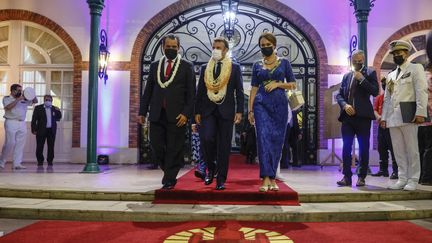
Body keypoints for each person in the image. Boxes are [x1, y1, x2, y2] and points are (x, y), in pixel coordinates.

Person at [138, 34, 196, 190]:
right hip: (157, 113)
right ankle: (170, 168)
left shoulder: (186, 66)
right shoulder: (155, 66)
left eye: (174, 47)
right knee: (156, 145)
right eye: (168, 47)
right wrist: (142, 112)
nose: (171, 49)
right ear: (163, 47)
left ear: (178, 48)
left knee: (174, 147)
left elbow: (191, 94)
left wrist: (186, 113)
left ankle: (169, 179)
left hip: (177, 115)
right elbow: (148, 90)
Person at [248, 32, 296, 192]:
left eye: (268, 45)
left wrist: (277, 84)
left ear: (274, 46)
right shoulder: (256, 65)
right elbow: (254, 88)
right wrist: (250, 110)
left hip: (279, 104)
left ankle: (273, 178)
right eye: (262, 46)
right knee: (263, 139)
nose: (265, 48)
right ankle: (265, 177)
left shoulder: (284, 63)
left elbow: (293, 84)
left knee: (277, 140)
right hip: (261, 104)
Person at [195, 37, 244, 190]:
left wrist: (240, 111)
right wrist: (196, 112)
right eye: (214, 47)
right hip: (208, 111)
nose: (216, 50)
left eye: (219, 47)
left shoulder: (234, 68)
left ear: (226, 50)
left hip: (226, 112)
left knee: (224, 146)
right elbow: (200, 92)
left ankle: (221, 179)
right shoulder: (205, 68)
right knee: (207, 139)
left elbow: (239, 91)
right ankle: (211, 167)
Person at [381, 39, 428, 191]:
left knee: (412, 149)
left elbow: (421, 91)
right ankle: (402, 178)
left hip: (409, 114)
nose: (396, 56)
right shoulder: (391, 75)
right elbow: (387, 98)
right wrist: (384, 117)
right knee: (398, 150)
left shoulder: (416, 68)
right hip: (393, 117)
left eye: (398, 53)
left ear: (406, 53)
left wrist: (421, 112)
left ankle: (413, 179)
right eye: (394, 53)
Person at [336, 50, 379, 187]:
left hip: (363, 117)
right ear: (351, 61)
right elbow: (339, 95)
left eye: (360, 61)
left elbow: (375, 91)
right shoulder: (346, 76)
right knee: (346, 146)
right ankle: (347, 176)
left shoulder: (370, 73)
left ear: (363, 60)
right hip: (348, 117)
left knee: (363, 147)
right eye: (355, 61)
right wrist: (344, 105)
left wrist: (362, 79)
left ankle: (361, 177)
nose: (357, 63)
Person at [0, 84, 38, 169]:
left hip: (22, 123)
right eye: (18, 90)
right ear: (13, 91)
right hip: (11, 122)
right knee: (10, 143)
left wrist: (31, 93)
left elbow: (35, 101)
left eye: (21, 90)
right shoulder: (7, 98)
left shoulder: (24, 99)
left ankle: (17, 164)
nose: (20, 92)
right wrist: (18, 100)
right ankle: (2, 161)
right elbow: (8, 108)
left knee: (20, 144)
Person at [371, 78, 398, 179]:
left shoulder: (395, 98)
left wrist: (387, 120)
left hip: (391, 126)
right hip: (381, 127)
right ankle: (383, 170)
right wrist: (379, 117)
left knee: (393, 149)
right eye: (383, 84)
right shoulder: (379, 98)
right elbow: (374, 110)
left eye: (386, 84)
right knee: (381, 148)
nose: (384, 86)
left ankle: (396, 171)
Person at [31, 95, 62, 167]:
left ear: (52, 101)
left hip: (51, 130)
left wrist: (58, 110)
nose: (48, 101)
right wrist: (34, 129)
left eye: (49, 100)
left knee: (51, 146)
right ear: (44, 100)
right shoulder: (38, 108)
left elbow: (59, 117)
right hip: (41, 130)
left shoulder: (54, 108)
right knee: (39, 146)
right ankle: (40, 161)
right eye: (46, 99)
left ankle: (50, 161)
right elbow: (34, 119)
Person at [418, 63, 432, 186]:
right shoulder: (430, 78)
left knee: (421, 149)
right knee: (429, 149)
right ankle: (427, 177)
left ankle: (420, 176)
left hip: (420, 120)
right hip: (430, 119)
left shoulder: (420, 78)